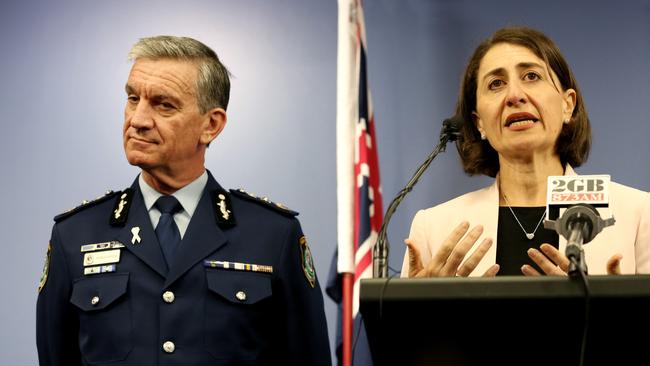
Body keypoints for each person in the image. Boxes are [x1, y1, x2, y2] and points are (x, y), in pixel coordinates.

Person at [36, 35, 331, 365]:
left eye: (164, 105)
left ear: (211, 125)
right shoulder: (75, 235)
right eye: (133, 99)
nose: (138, 120)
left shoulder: (273, 235)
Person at [402, 27, 650, 278]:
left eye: (531, 76)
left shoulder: (638, 214)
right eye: (496, 84)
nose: (514, 95)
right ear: (479, 123)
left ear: (568, 105)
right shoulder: (435, 228)